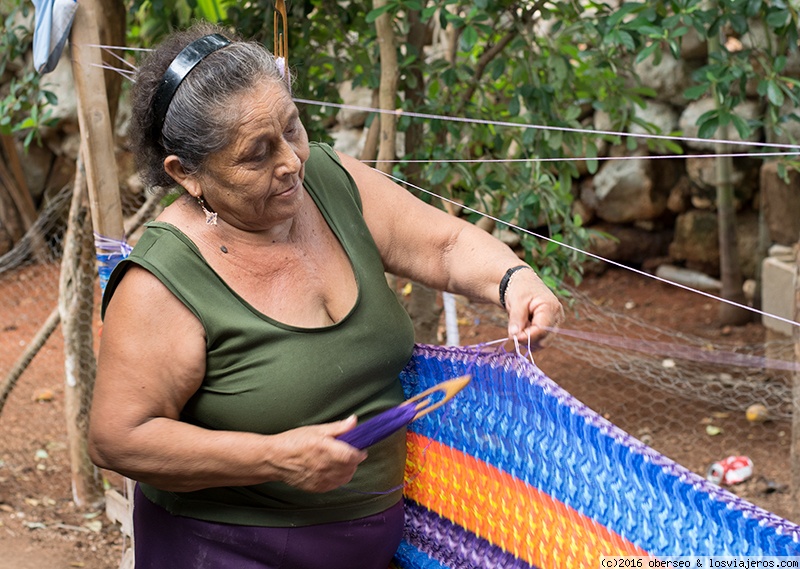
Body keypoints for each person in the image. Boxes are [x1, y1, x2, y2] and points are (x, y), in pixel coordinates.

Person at [88, 22, 563, 569]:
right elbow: (118, 439)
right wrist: (272, 458)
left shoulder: (329, 183)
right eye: (257, 154)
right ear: (187, 174)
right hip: (222, 550)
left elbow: (446, 244)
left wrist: (513, 279)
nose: (290, 161)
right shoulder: (163, 280)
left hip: (368, 546)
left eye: (292, 128)